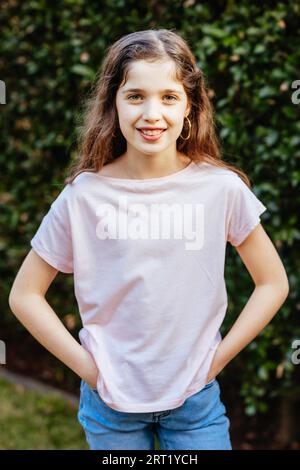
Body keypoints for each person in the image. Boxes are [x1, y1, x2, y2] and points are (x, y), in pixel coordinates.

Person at [8, 29, 289, 450]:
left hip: (195, 403)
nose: (151, 113)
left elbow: (273, 283)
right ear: (113, 105)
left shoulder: (221, 189)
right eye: (135, 96)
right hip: (110, 406)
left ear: (190, 107)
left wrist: (216, 362)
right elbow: (25, 295)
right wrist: (90, 370)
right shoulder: (83, 196)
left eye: (169, 97)